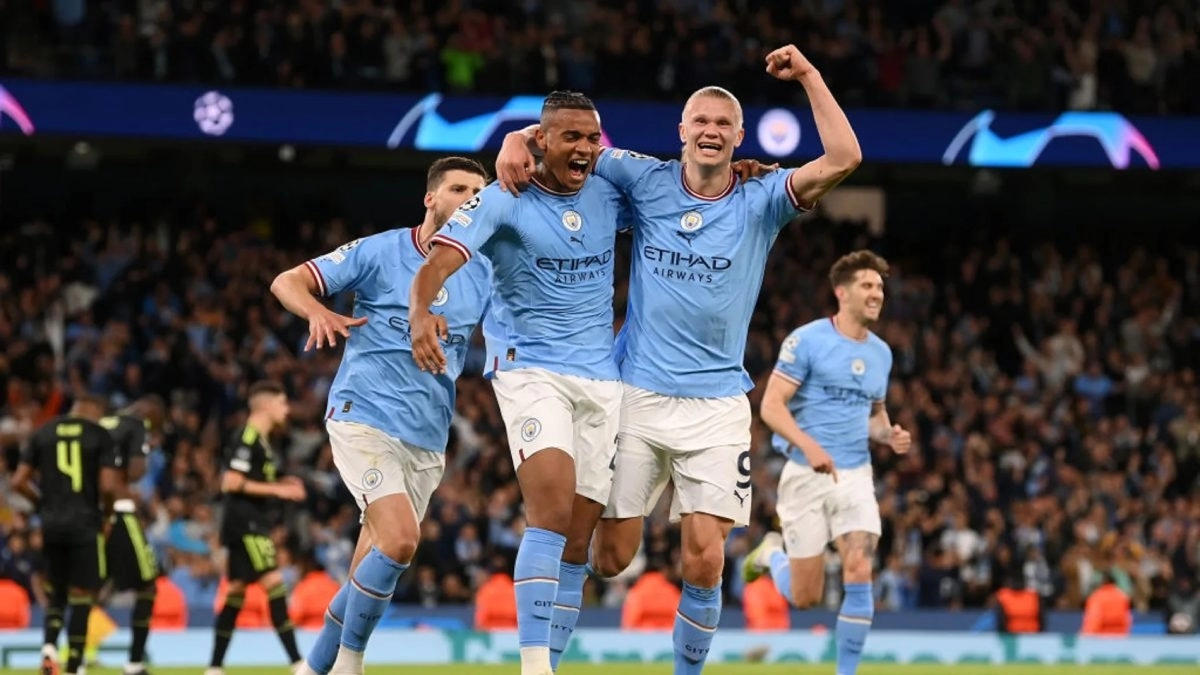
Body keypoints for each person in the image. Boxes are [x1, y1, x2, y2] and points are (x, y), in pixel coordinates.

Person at [494, 44, 862, 675]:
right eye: (702, 121)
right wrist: (517, 136)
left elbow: (846, 158)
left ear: (739, 136)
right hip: (634, 394)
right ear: (682, 131)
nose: (712, 132)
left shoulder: (763, 197)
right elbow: (568, 141)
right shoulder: (643, 178)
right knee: (609, 557)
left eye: (724, 124)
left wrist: (808, 75)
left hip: (717, 405)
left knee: (704, 557)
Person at [410, 91, 627, 675]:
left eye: (592, 138)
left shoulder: (610, 190)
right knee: (551, 512)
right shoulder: (502, 199)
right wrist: (420, 311)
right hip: (530, 369)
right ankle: (534, 667)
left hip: (601, 377)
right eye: (569, 137)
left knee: (581, 543)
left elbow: (684, 189)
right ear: (542, 140)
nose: (583, 148)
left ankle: (550, 660)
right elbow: (436, 262)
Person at [271, 156, 492, 675]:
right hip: (363, 415)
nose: (469, 200)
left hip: (427, 435)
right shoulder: (381, 250)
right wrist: (319, 310)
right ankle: (350, 664)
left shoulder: (483, 271)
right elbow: (287, 281)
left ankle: (314, 667)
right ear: (431, 198)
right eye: (459, 189)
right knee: (399, 540)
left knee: (375, 558)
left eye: (479, 194)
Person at [741, 250, 911, 675]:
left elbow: (874, 413)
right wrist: (809, 445)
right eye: (868, 286)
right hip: (805, 473)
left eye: (880, 287)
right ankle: (772, 555)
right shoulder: (808, 340)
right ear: (842, 292)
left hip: (855, 474)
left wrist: (888, 434)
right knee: (805, 597)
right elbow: (772, 407)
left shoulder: (881, 354)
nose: (877, 294)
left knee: (859, 563)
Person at [10, 394, 121, 675]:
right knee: (83, 595)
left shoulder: (43, 432)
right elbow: (108, 487)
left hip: (52, 526)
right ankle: (73, 663)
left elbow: (18, 481)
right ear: (94, 410)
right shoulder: (99, 435)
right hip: (85, 524)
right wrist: (107, 514)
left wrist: (41, 504)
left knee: (56, 593)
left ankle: (48, 648)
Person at [205, 380, 307, 675]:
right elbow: (231, 482)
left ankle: (214, 667)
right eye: (282, 403)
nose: (286, 410)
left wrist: (281, 484)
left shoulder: (261, 440)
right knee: (274, 583)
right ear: (266, 405)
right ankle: (297, 662)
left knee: (236, 592)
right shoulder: (248, 437)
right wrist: (279, 491)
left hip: (246, 523)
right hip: (247, 524)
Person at [99, 395, 166, 675]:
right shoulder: (137, 424)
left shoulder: (102, 422)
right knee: (148, 586)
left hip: (89, 511)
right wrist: (146, 448)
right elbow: (137, 472)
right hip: (119, 510)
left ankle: (67, 659)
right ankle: (134, 664)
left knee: (87, 588)